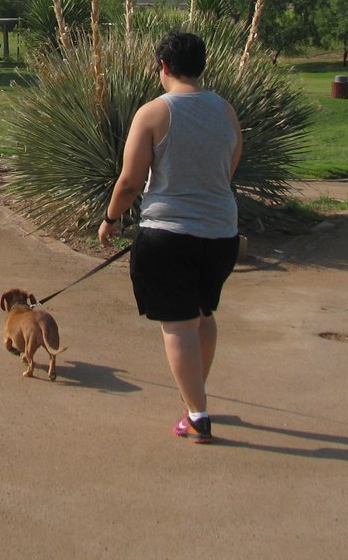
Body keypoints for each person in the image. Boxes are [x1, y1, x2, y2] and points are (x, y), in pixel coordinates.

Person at [98, 30, 242, 445]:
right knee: (203, 314)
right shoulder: (225, 111)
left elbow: (129, 181)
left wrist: (110, 219)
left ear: (163, 66)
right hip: (220, 235)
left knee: (177, 325)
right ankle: (193, 397)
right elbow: (230, 163)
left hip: (169, 236)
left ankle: (198, 416)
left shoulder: (154, 113)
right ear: (203, 65)